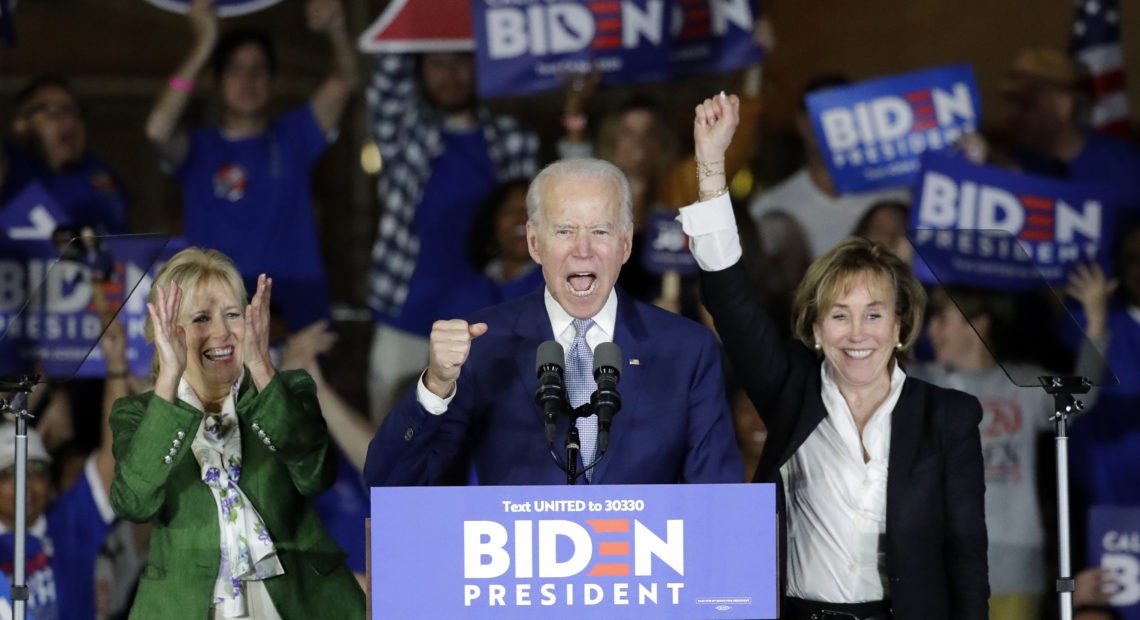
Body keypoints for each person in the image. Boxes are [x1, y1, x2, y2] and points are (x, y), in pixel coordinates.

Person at [679, 93, 988, 618]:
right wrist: (711, 165)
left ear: (900, 325)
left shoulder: (948, 417)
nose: (857, 332)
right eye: (839, 314)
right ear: (816, 328)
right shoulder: (789, 391)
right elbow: (729, 300)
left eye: (874, 314)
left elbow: (965, 555)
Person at [364, 158, 741, 486]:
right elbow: (391, 481)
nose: (583, 249)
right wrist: (436, 385)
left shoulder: (685, 349)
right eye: (564, 230)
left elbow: (719, 500)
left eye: (600, 231)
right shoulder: (484, 344)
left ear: (625, 243)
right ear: (534, 242)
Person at [108, 248, 363, 619]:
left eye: (232, 314)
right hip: (187, 606)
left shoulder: (287, 392)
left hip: (293, 602)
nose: (221, 332)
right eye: (200, 318)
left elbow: (315, 475)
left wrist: (260, 365)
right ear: (166, 332)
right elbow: (134, 502)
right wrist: (168, 377)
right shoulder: (139, 414)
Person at [144, 0, 357, 333]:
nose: (247, 79)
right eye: (235, 68)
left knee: (302, 387)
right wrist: (203, 45)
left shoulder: (294, 134)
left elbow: (345, 80)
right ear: (217, 81)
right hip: (215, 297)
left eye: (258, 69)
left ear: (272, 80)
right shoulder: (198, 146)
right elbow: (157, 128)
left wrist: (337, 30)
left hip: (297, 293)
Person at [908, 278, 1112, 620]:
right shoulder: (922, 383)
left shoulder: (1024, 384)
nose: (932, 330)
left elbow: (1083, 396)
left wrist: (1096, 319)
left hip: (1016, 567)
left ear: (978, 325)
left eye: (942, 319)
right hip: (939, 562)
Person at [365, 49, 540, 425]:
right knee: (393, 443)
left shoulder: (513, 139)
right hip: (405, 318)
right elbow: (384, 83)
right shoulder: (404, 133)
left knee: (482, 443)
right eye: (437, 61)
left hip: (484, 326)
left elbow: (536, 214)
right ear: (420, 70)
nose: (450, 73)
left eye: (461, 60)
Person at [749, 74, 910, 261]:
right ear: (801, 122)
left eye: (841, 111)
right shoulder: (771, 207)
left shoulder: (897, 196)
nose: (833, 124)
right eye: (822, 112)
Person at [999, 48, 1140, 210]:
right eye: (1011, 102)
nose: (1013, 114)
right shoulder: (1010, 166)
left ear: (1063, 106)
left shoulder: (1124, 167)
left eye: (1026, 103)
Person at [1, 75, 129, 234]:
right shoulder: (14, 166)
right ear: (21, 124)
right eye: (53, 112)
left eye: (74, 112)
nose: (69, 121)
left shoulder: (99, 170)